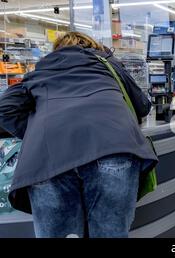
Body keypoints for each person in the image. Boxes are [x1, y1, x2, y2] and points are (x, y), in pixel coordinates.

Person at [0, 32, 158, 238]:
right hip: (112, 146)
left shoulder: (41, 70)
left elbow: (5, 108)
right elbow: (143, 105)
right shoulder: (107, 64)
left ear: (56, 50)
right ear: (94, 46)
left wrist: (37, 130)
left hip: (47, 158)